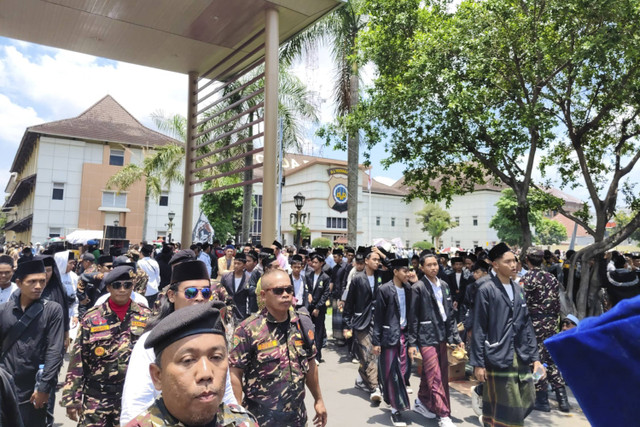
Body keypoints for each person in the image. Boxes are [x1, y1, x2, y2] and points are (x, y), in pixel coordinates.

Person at [120, 259, 237, 425]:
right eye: (190, 292)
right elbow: (136, 404)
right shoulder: (152, 341)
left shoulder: (216, 335)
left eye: (205, 292)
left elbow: (226, 395)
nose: (199, 298)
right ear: (171, 295)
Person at [125, 301, 257, 426]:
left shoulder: (243, 422)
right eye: (188, 360)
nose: (206, 373)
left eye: (216, 357)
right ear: (158, 376)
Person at [229, 269, 327, 427]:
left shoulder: (302, 324)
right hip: (260, 420)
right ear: (263, 295)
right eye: (278, 290)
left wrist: (319, 400)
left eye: (289, 289)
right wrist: (238, 415)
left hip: (297, 419)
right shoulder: (248, 330)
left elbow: (310, 365)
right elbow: (235, 373)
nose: (286, 294)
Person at [60, 265, 151, 426]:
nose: (122, 289)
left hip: (131, 397)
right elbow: (78, 359)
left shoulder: (146, 316)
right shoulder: (92, 317)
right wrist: (72, 398)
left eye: (127, 285)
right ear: (108, 287)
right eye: (117, 285)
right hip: (96, 397)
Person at [470, 243, 544, 427]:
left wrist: (535, 358)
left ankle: (490, 418)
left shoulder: (518, 289)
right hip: (498, 354)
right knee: (510, 406)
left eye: (515, 261)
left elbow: (527, 324)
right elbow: (479, 328)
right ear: (495, 264)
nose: (514, 265)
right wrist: (478, 363)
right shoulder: (486, 290)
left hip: (520, 353)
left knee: (528, 398)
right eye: (508, 261)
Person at [0, 259, 64, 427]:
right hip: (5, 386)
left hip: (33, 388)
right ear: (19, 283)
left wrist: (44, 387)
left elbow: (54, 350)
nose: (38, 286)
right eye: (32, 281)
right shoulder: (4, 311)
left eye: (42, 281)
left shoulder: (52, 310)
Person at [408, 253, 462, 427]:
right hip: (426, 336)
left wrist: (455, 337)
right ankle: (443, 414)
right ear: (422, 268)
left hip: (441, 335)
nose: (433, 267)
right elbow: (413, 317)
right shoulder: (418, 287)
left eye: (435, 264)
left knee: (435, 374)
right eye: (429, 265)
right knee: (435, 376)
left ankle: (422, 401)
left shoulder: (444, 285)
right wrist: (412, 343)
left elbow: (450, 315)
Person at [521, 250, 570, 413]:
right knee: (549, 359)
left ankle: (541, 399)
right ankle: (562, 399)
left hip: (535, 322)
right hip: (551, 322)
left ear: (527, 260)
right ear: (542, 260)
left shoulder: (527, 278)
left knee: (537, 359)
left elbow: (521, 303)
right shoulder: (552, 277)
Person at [372, 258, 412, 427]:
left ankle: (393, 399)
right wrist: (376, 341)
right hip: (389, 336)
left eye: (409, 271)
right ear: (395, 272)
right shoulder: (384, 290)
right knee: (390, 372)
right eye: (404, 271)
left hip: (404, 336)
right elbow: (379, 317)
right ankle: (396, 410)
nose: (408, 274)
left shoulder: (409, 289)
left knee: (403, 372)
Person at [343, 247, 383, 403]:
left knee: (373, 354)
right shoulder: (358, 278)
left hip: (378, 320)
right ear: (366, 261)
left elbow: (393, 266)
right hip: (361, 321)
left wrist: (381, 253)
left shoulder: (381, 276)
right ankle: (374, 388)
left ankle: (361, 378)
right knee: (369, 353)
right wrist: (347, 324)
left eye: (378, 260)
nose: (377, 262)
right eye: (374, 259)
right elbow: (350, 303)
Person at [305, 252, 331, 363]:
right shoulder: (308, 275)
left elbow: (326, 294)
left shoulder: (325, 277)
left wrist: (318, 307)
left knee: (319, 331)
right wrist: (308, 294)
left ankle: (318, 355)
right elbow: (307, 288)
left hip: (319, 309)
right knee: (308, 330)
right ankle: (309, 353)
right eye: (312, 262)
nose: (313, 264)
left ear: (321, 263)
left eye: (316, 262)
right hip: (309, 307)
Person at [219, 252, 251, 322]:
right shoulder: (226, 277)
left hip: (241, 311)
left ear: (244, 265)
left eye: (239, 264)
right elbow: (220, 292)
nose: (236, 266)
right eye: (235, 263)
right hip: (227, 309)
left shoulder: (248, 279)